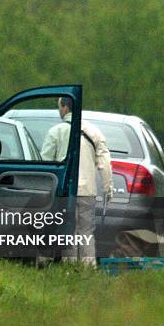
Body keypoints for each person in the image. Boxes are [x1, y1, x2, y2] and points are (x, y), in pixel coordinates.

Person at [41, 97, 114, 265]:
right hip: (87, 191)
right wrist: (107, 189)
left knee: (69, 231)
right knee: (86, 232)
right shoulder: (94, 132)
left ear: (65, 108)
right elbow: (105, 164)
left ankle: (71, 269)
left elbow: (45, 163)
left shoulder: (56, 131)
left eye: (59, 107)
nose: (59, 110)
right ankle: (89, 268)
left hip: (65, 192)